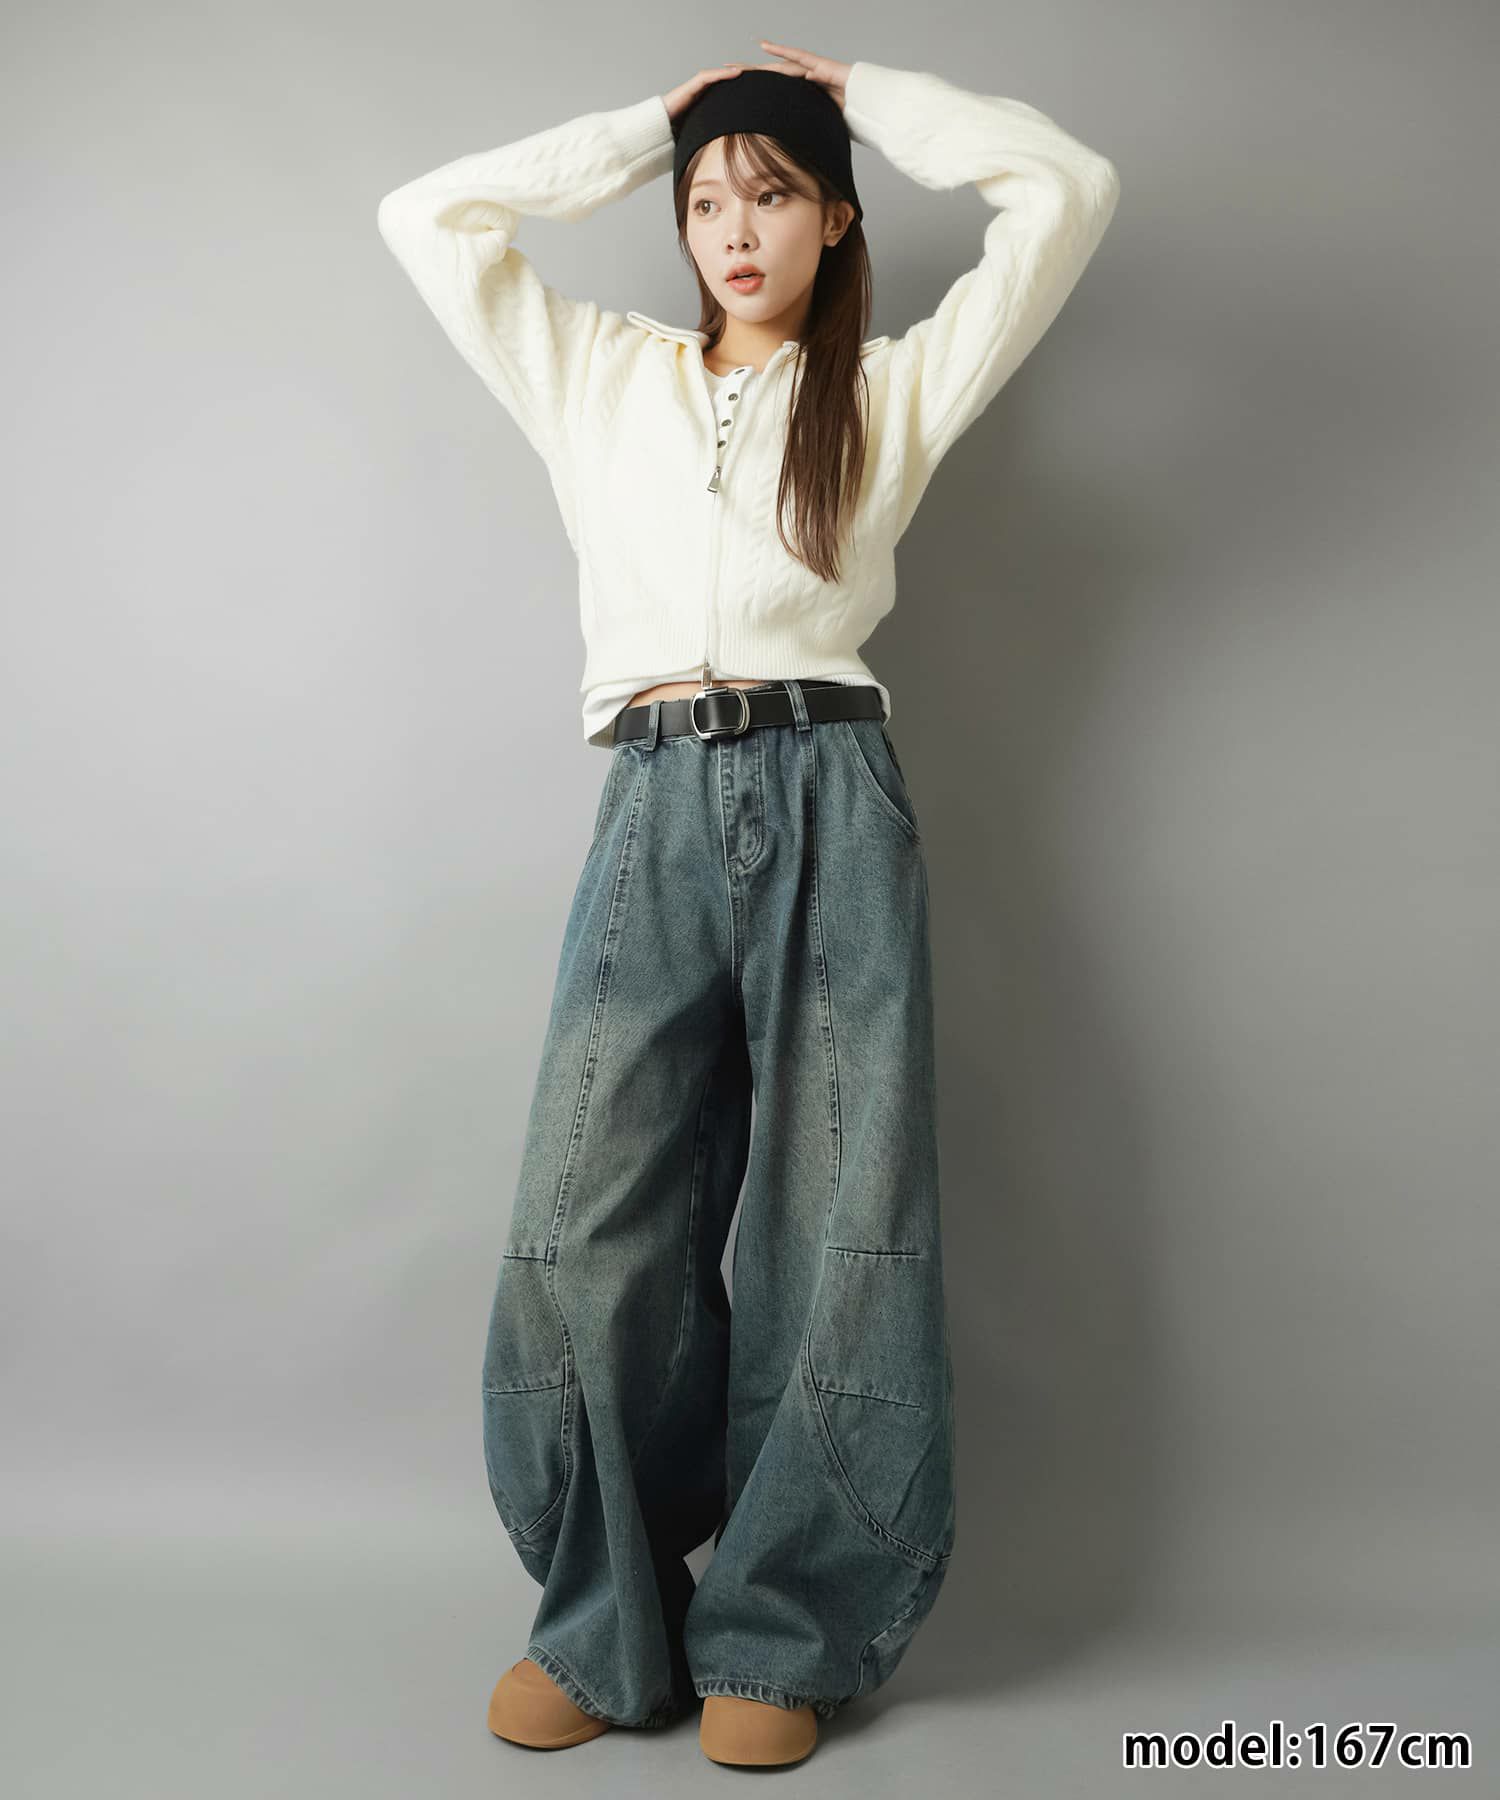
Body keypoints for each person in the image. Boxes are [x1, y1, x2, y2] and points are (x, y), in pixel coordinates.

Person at [377, 38, 1119, 1768]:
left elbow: (1067, 190)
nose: (732, 227)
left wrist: (858, 92)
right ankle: (605, 1619)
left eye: (773, 195)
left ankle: (783, 1632)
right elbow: (427, 216)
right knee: (586, 1221)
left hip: (833, 795)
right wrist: (655, 126)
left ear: (835, 221)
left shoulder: (894, 390)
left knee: (836, 1220)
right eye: (707, 201)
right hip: (652, 803)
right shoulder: (594, 372)